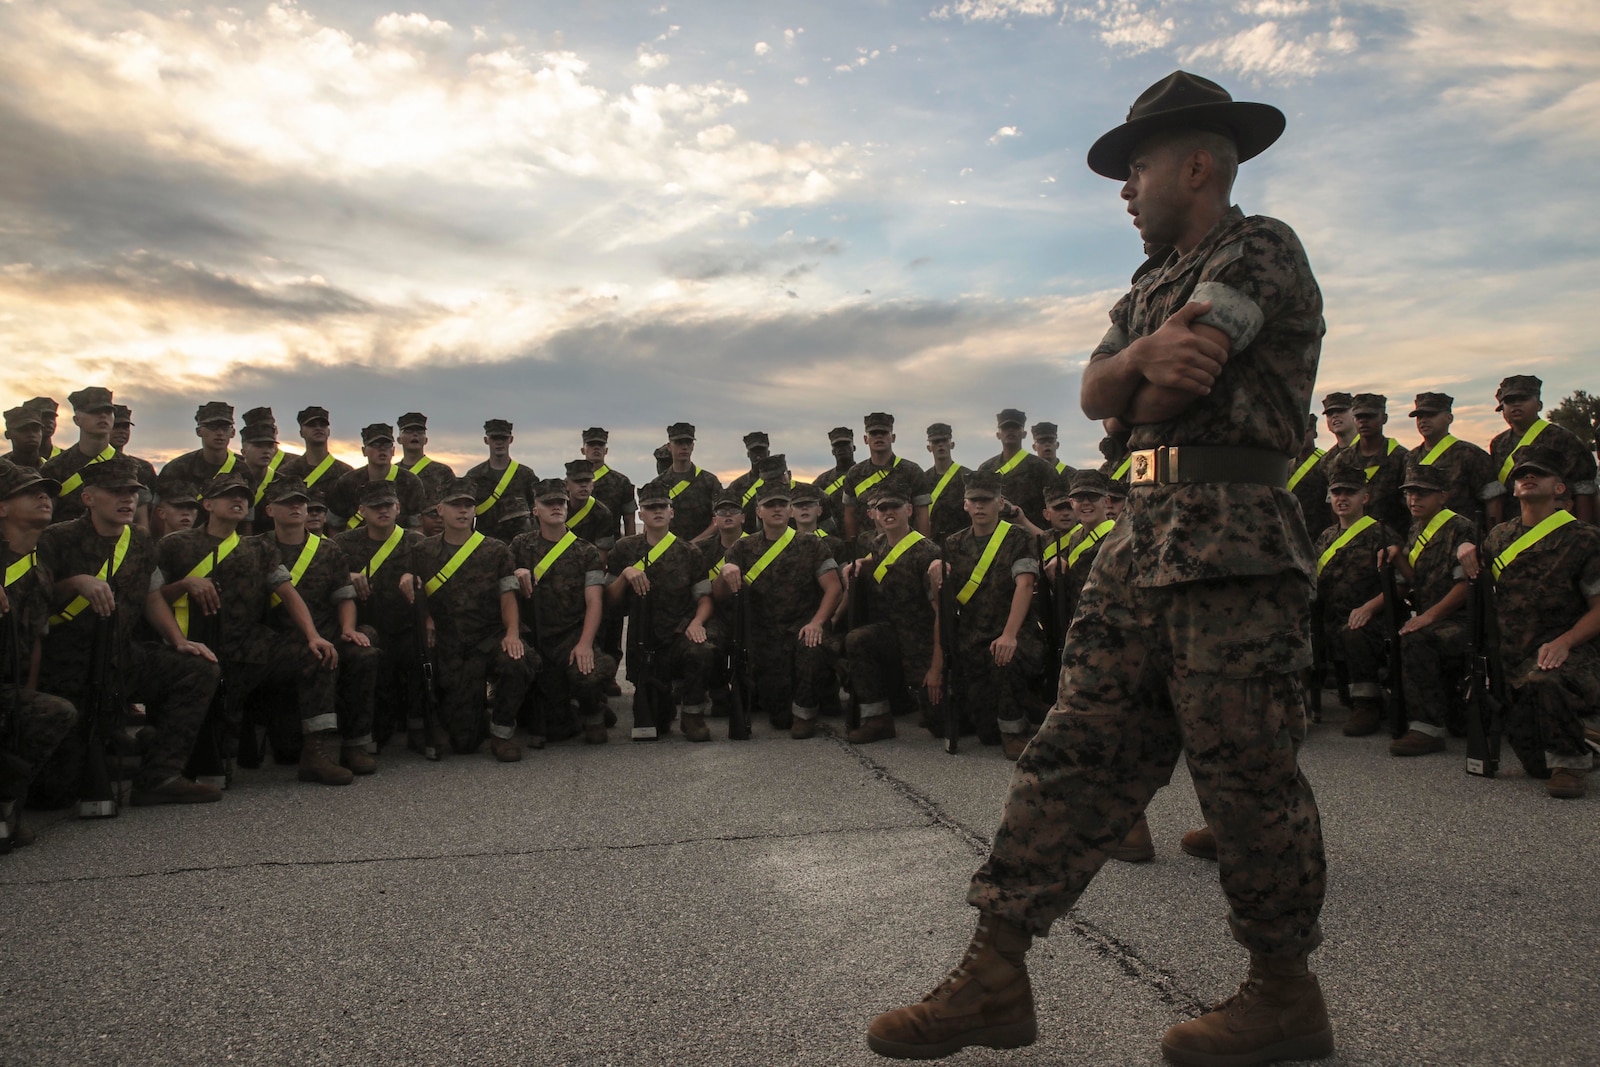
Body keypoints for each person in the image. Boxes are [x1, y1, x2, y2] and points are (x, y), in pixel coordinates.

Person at [868, 71, 1333, 1066]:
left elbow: (1177, 378)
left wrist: (1135, 382)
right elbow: (1096, 394)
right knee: (1070, 749)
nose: (1124, 189)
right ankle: (993, 969)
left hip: (1232, 549)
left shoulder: (1258, 247)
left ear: (1196, 164)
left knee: (1245, 777)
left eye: (1138, 167)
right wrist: (1128, 374)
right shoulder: (1145, 288)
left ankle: (1284, 992)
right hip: (1144, 538)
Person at [34, 458, 222, 806]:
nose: (127, 500)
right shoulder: (56, 539)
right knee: (57, 793)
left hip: (122, 656)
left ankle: (161, 775)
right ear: (88, 498)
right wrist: (76, 583)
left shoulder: (139, 540)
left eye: (132, 493)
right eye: (115, 492)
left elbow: (151, 595)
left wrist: (177, 640)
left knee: (198, 669)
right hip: (68, 668)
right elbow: (37, 599)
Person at [153, 471, 347, 786]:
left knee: (316, 656)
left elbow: (287, 592)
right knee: (213, 763)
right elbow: (151, 599)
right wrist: (185, 585)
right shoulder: (176, 545)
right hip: (196, 646)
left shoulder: (258, 549)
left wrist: (313, 636)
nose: (238, 501)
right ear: (208, 504)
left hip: (248, 645)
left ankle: (316, 754)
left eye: (243, 496)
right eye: (229, 495)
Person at [1459, 444, 1600, 798]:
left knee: (1545, 681)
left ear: (1560, 488)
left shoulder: (1583, 538)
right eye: (1522, 474)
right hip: (1512, 656)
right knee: (1536, 766)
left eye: (1539, 473)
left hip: (1568, 653)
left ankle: (1572, 762)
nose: (1528, 477)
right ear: (1514, 487)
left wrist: (1566, 642)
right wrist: (1465, 548)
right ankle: (1585, 738)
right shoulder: (1498, 537)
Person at [253, 479, 380, 775]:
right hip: (277, 640)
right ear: (270, 509)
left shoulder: (328, 550)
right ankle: (305, 745)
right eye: (287, 502)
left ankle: (350, 745)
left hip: (325, 634)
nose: (296, 507)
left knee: (363, 651)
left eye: (300, 502)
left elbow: (345, 596)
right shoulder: (256, 547)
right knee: (285, 751)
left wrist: (348, 628)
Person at [399, 478, 531, 760]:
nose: (462, 511)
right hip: (450, 643)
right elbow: (418, 594)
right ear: (440, 510)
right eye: (455, 505)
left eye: (467, 506)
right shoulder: (423, 552)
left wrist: (511, 633)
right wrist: (426, 619)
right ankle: (471, 719)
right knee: (464, 743)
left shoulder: (495, 550)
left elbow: (507, 595)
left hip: (489, 636)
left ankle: (501, 734)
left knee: (519, 660)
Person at [930, 470, 1044, 760]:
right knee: (984, 734)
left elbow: (1026, 583)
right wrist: (936, 569)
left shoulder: (1018, 537)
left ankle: (1014, 731)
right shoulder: (953, 544)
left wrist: (1009, 635)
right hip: (972, 639)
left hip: (1014, 634)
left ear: (1000, 502)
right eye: (974, 500)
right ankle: (1023, 710)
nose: (980, 506)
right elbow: (943, 601)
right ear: (965, 505)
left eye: (987, 500)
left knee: (1004, 659)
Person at [714, 481, 841, 737]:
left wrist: (817, 622)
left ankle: (806, 713)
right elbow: (719, 595)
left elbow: (834, 588)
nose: (776, 509)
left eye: (782, 504)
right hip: (764, 639)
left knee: (812, 648)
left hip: (802, 630)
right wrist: (725, 572)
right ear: (758, 512)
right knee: (779, 718)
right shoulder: (742, 548)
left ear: (791, 510)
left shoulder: (812, 545)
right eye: (769, 505)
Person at [0, 461, 81, 845]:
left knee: (50, 712)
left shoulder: (38, 566)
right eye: (28, 493)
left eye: (45, 491)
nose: (43, 496)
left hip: (8, 684)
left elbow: (35, 635)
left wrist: (26, 694)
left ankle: (8, 803)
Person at [606, 479, 716, 739]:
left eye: (662, 506)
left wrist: (697, 622)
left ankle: (692, 715)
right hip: (643, 641)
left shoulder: (690, 552)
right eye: (650, 507)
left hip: (679, 635)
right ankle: (663, 705)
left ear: (671, 512)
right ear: (641, 513)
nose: (657, 511)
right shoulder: (625, 549)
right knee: (653, 722)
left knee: (703, 652)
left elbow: (704, 598)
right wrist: (625, 574)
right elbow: (609, 599)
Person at [510, 479, 616, 744]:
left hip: (571, 636)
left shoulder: (585, 550)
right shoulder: (521, 546)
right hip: (534, 637)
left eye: (560, 502)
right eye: (548, 503)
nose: (556, 507)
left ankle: (593, 713)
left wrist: (585, 644)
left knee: (588, 675)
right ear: (536, 510)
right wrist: (515, 572)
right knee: (549, 727)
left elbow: (594, 602)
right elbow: (503, 591)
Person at [1383, 461, 1476, 757]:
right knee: (1405, 635)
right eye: (1410, 493)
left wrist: (1427, 617)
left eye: (1422, 493)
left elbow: (1464, 586)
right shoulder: (1416, 529)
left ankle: (1427, 729)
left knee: (1415, 639)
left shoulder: (1460, 527)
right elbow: (1415, 580)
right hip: (1431, 617)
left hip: (1459, 618)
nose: (1414, 500)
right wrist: (1397, 558)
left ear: (1443, 496)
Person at [840, 485, 941, 744]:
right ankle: (878, 720)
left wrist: (936, 669)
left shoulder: (927, 552)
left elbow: (941, 614)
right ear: (873, 514)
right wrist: (862, 562)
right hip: (892, 633)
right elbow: (885, 561)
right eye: (882, 508)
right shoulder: (878, 543)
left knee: (938, 723)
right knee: (857, 639)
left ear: (908, 510)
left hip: (921, 643)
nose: (888, 513)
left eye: (894, 507)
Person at [1313, 454, 1402, 738]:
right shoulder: (1325, 537)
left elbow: (1401, 585)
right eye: (1336, 492)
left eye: (1349, 492)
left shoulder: (1383, 534)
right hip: (1332, 619)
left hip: (1370, 621)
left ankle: (1369, 705)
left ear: (1365, 497)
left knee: (1355, 632)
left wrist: (1369, 607)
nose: (1342, 498)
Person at [334, 480, 426, 752]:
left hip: (406, 626)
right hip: (367, 626)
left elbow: (435, 582)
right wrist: (346, 577)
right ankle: (367, 730)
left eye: (388, 505)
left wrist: (415, 576)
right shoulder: (343, 543)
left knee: (423, 653)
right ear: (362, 510)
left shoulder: (416, 543)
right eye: (375, 507)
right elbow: (327, 581)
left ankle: (419, 725)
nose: (382, 511)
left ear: (398, 508)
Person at [1486, 375, 1597, 526]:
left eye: (1523, 399)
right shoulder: (1498, 443)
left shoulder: (1563, 438)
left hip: (1557, 527)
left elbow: (1584, 488)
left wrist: (1585, 530)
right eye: (1509, 401)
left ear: (1539, 405)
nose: (1516, 405)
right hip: (1513, 527)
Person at [156, 402, 256, 523]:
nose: (220, 433)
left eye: (225, 427)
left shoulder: (243, 470)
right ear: (199, 431)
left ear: (233, 433)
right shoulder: (177, 468)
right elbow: (160, 513)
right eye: (212, 427)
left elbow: (247, 517)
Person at [1407, 392, 1496, 528]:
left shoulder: (1470, 453)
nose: (1423, 420)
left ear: (1449, 418)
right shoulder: (1410, 457)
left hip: (1462, 537)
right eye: (1419, 416)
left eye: (1431, 415)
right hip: (1422, 537)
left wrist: (1491, 536)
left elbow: (1493, 498)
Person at [841, 413, 931, 544]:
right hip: (867, 548)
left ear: (893, 437)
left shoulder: (911, 471)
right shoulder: (854, 474)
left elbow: (922, 515)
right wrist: (852, 548)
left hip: (906, 548)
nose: (879, 436)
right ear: (866, 439)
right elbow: (850, 515)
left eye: (884, 433)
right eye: (873, 433)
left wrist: (924, 547)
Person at [40, 388, 120, 527]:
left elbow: (141, 523)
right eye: (94, 411)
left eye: (108, 411)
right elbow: (43, 520)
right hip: (66, 546)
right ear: (77, 420)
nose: (102, 416)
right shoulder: (55, 468)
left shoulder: (132, 467)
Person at [327, 423, 428, 532]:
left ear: (393, 450)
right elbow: (335, 525)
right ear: (364, 451)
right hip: (356, 545)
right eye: (375, 444)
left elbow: (416, 525)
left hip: (399, 545)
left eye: (386, 445)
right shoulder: (348, 482)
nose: (382, 449)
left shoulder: (410, 481)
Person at [977, 409, 1057, 533]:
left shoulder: (1042, 468)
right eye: (1005, 428)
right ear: (998, 435)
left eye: (1015, 427)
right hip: (995, 537)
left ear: (1024, 434)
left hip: (1032, 538)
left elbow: (1055, 508)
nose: (1010, 430)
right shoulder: (986, 469)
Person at [1348, 393, 1409, 535]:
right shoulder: (1343, 460)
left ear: (1384, 418)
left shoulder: (1402, 457)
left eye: (1370, 416)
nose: (1363, 421)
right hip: (1352, 540)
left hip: (1391, 540)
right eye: (1359, 417)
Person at [661, 423, 723, 541]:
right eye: (679, 443)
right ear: (669, 446)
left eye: (688, 443)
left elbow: (719, 518)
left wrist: (693, 544)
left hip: (705, 549)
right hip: (669, 552)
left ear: (693, 446)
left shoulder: (709, 481)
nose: (684, 447)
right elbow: (651, 522)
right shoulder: (660, 483)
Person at [580, 427, 636, 539]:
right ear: (583, 450)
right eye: (591, 444)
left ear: (606, 451)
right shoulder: (571, 482)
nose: (596, 448)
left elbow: (629, 519)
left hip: (611, 547)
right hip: (579, 548)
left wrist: (630, 549)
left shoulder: (621, 482)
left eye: (600, 445)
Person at [395, 412, 457, 508]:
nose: (415, 435)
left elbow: (454, 504)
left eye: (420, 432)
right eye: (409, 431)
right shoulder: (392, 472)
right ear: (399, 439)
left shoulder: (442, 472)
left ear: (426, 440)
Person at [290, 406, 354, 497]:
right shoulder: (288, 472)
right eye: (311, 425)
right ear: (301, 433)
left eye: (322, 425)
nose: (318, 428)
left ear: (328, 432)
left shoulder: (346, 472)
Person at [923, 422, 970, 547]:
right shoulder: (922, 479)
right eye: (935, 442)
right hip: (931, 545)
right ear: (929, 448)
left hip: (962, 545)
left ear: (952, 444)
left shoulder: (966, 476)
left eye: (944, 440)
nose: (940, 445)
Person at [562, 459, 617, 562]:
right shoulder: (557, 508)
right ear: (567, 485)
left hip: (588, 565)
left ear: (593, 484)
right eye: (578, 481)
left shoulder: (602, 514)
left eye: (587, 481)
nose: (583, 485)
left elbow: (602, 555)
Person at [1287, 413, 1331, 538]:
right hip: (1293, 530)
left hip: (1319, 531)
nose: (1302, 436)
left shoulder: (1326, 461)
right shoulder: (1287, 465)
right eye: (1297, 432)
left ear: (1315, 433)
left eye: (1306, 431)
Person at [813, 426, 857, 535]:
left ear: (854, 447)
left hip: (861, 537)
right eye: (837, 445)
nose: (841, 448)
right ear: (832, 451)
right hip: (833, 539)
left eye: (846, 444)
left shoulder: (863, 474)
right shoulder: (822, 481)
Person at [726, 431, 773, 533]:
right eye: (754, 451)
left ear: (768, 453)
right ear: (748, 454)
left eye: (761, 451)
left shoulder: (779, 482)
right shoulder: (737, 486)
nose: (758, 456)